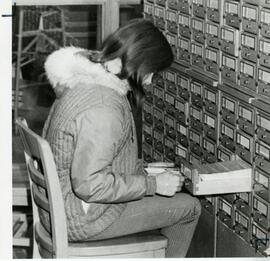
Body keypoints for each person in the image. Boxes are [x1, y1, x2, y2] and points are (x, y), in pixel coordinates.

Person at [42, 18, 201, 257]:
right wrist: (153, 185)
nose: (149, 81)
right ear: (139, 60)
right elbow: (90, 185)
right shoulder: (104, 106)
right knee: (189, 208)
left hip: (61, 207)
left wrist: (142, 169)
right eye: (152, 72)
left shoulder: (83, 81)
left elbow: (93, 155)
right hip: (82, 218)